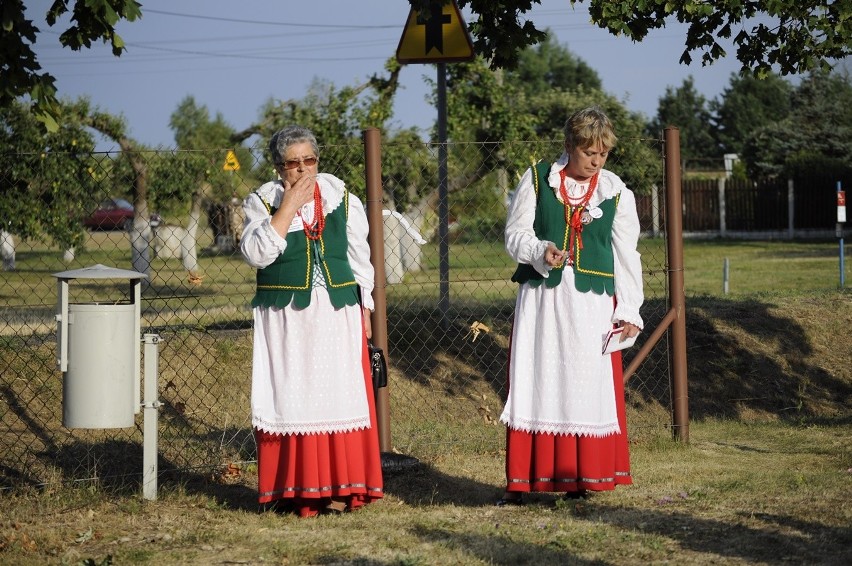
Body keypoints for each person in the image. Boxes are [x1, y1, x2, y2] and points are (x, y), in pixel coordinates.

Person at [497, 106, 644, 505]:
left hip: (591, 303)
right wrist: (540, 251)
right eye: (588, 153)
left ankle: (583, 478)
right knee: (539, 378)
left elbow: (626, 253)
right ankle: (527, 480)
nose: (596, 161)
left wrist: (629, 308)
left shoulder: (614, 190)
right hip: (544, 300)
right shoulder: (537, 179)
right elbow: (514, 235)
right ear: (569, 145)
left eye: (603, 154)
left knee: (585, 383)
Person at [240, 125, 383, 517]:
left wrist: (365, 310)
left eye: (310, 161)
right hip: (287, 316)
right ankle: (299, 492)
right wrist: (287, 208)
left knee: (338, 394)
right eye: (293, 163)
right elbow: (257, 254)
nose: (303, 170)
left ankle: (342, 486)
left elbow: (360, 259)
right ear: (278, 168)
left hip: (337, 311)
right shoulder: (262, 201)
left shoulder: (341, 197)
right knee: (293, 396)